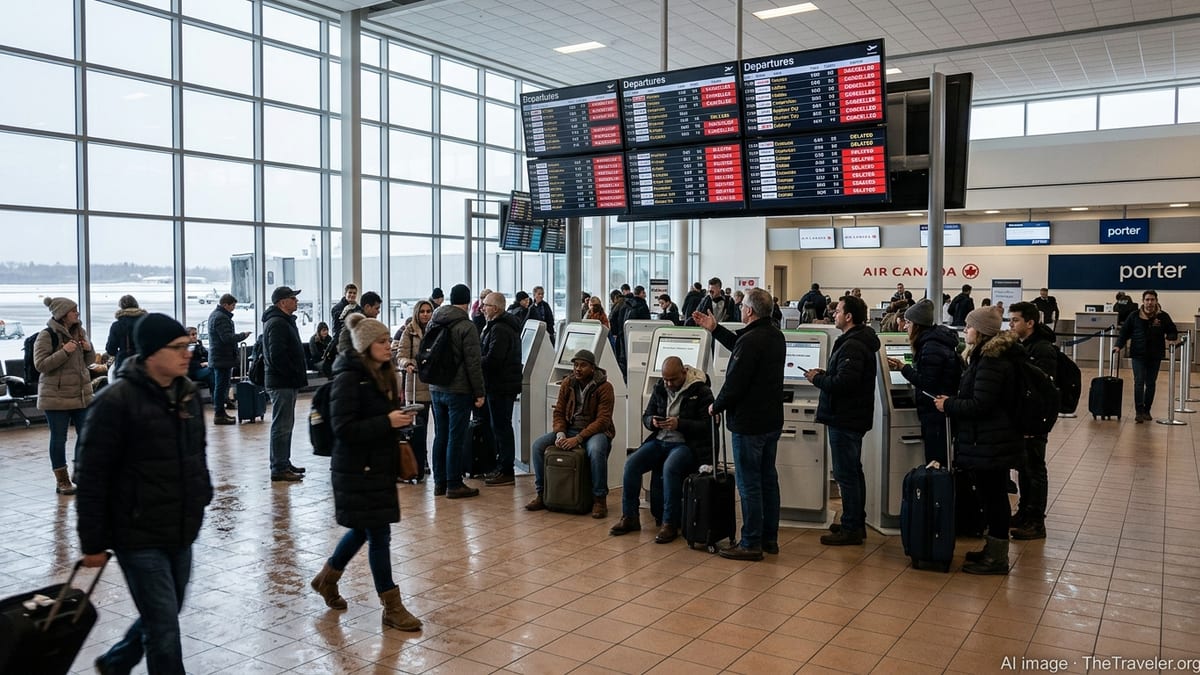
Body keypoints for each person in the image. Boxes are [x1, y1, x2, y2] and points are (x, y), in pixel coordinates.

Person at [77, 313, 213, 674]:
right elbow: (91, 476)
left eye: (190, 346)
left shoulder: (186, 394)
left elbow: (196, 453)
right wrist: (92, 542)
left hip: (180, 526)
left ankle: (116, 662)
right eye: (179, 348)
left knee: (168, 610)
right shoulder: (115, 401)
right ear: (153, 352)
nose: (189, 354)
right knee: (164, 628)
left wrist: (202, 491)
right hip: (136, 532)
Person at [309, 313, 422, 632]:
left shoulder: (383, 373)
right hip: (356, 469)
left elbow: (375, 417)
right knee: (379, 534)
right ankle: (392, 606)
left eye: (389, 340)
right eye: (382, 342)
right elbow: (343, 428)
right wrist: (388, 422)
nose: (390, 345)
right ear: (365, 346)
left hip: (376, 467)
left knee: (363, 530)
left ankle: (326, 579)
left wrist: (397, 418)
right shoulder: (348, 377)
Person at [691, 287, 785, 560]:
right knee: (768, 480)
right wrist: (715, 328)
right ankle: (769, 539)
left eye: (743, 305)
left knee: (749, 484)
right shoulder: (775, 336)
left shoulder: (752, 341)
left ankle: (751, 542)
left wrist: (716, 405)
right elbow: (743, 349)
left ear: (750, 311)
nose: (741, 308)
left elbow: (735, 383)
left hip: (749, 424)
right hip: (771, 421)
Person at [934, 308, 1024, 575]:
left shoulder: (991, 360)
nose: (965, 331)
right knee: (990, 495)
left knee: (994, 498)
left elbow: (981, 404)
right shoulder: (989, 356)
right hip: (990, 440)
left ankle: (997, 559)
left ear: (982, 331)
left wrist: (949, 404)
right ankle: (992, 549)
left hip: (991, 441)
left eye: (969, 327)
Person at [609, 356, 713, 543]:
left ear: (684, 373)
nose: (668, 383)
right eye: (665, 379)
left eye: (672, 379)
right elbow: (647, 416)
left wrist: (679, 424)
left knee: (670, 467)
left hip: (685, 445)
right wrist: (653, 422)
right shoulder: (660, 387)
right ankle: (630, 516)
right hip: (659, 440)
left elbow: (707, 426)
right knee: (631, 464)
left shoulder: (701, 391)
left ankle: (669, 522)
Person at [806, 294, 880, 546]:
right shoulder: (856, 342)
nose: (833, 313)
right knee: (852, 472)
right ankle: (854, 521)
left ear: (849, 316)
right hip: (850, 415)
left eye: (838, 310)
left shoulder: (853, 345)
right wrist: (827, 374)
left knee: (846, 474)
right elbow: (846, 377)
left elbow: (845, 384)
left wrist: (818, 380)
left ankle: (852, 528)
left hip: (845, 418)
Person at [525, 349, 616, 518]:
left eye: (583, 365)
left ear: (593, 368)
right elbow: (559, 412)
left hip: (595, 431)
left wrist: (579, 438)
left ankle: (599, 499)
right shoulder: (568, 383)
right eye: (575, 365)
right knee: (538, 446)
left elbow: (603, 420)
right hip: (570, 428)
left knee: (596, 451)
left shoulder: (605, 387)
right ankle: (542, 493)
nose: (578, 369)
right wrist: (560, 433)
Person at [886, 299, 961, 466]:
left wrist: (904, 369)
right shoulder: (936, 342)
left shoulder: (930, 347)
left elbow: (927, 382)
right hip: (940, 413)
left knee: (936, 462)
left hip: (935, 413)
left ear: (917, 325)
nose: (905, 326)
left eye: (908, 322)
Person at [428, 284, 486, 499]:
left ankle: (439, 483)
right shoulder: (466, 326)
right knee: (455, 436)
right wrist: (479, 392)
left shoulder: (435, 319)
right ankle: (454, 483)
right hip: (458, 389)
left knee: (440, 435)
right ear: (468, 302)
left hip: (435, 387)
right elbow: (473, 363)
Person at [34, 296, 95, 495]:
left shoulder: (80, 332)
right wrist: (66, 351)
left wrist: (89, 349)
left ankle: (81, 472)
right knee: (59, 438)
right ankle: (62, 480)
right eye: (73, 310)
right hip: (56, 396)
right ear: (62, 314)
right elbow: (41, 365)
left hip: (81, 395)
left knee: (86, 435)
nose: (77, 313)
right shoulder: (47, 335)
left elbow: (87, 362)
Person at [1007, 301, 1057, 540]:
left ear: (1030, 322)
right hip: (1024, 418)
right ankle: (1024, 512)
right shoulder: (1024, 345)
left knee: (1035, 469)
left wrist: (1033, 421)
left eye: (1015, 320)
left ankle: (1036, 521)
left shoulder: (1043, 349)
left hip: (1035, 420)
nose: (1011, 324)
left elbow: (1040, 388)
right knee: (1024, 468)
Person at [262, 286, 309, 482]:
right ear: (282, 302)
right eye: (293, 298)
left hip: (286, 381)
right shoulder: (277, 323)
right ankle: (279, 467)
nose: (296, 301)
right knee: (282, 425)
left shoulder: (283, 321)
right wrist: (292, 372)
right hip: (282, 382)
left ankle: (283, 461)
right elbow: (277, 356)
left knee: (285, 424)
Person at [477, 292, 523, 486]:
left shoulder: (500, 330)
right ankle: (502, 466)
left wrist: (473, 361)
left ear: (495, 308)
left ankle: (506, 469)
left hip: (501, 386)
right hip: (500, 384)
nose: (482, 308)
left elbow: (493, 360)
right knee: (500, 426)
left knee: (502, 427)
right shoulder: (498, 326)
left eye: (485, 305)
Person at [1113, 290, 1179, 423]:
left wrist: (1171, 338)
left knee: (1150, 383)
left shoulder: (1163, 316)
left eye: (1152, 300)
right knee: (1139, 382)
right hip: (1138, 354)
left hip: (1155, 355)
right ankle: (1139, 411)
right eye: (1147, 300)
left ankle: (1147, 410)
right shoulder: (1134, 316)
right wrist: (1118, 345)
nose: (1150, 302)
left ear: (1156, 301)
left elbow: (1172, 330)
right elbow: (1125, 332)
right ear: (1143, 301)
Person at [395, 299, 434, 479]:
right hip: (416, 385)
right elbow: (401, 355)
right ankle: (421, 459)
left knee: (439, 428)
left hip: (434, 384)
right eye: (422, 311)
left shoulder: (436, 330)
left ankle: (433, 459)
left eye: (428, 311)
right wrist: (407, 363)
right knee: (420, 426)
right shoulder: (409, 332)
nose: (425, 314)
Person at [207, 294, 249, 426]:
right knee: (221, 386)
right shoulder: (221, 318)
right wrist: (242, 336)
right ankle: (219, 414)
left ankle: (221, 412)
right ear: (226, 305)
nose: (234, 308)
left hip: (220, 357)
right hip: (222, 357)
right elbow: (227, 338)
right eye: (233, 306)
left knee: (222, 386)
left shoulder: (216, 315)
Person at [105, 294, 146, 376]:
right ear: (136, 305)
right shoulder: (147, 322)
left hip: (124, 364)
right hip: (145, 363)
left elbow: (110, 349)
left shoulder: (117, 325)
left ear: (121, 307)